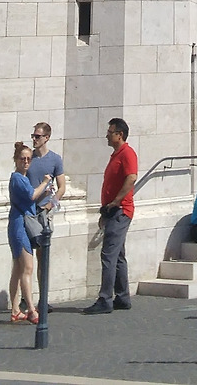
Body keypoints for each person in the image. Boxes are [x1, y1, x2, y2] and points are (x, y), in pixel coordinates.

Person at [85, 116, 138, 314]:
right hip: (113, 211)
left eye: (110, 132)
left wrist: (116, 201)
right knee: (118, 255)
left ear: (120, 134)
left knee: (108, 255)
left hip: (121, 210)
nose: (107, 136)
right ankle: (122, 297)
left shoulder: (127, 153)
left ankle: (105, 299)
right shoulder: (116, 154)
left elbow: (131, 177)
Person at [8, 141, 50, 323]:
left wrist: (44, 192)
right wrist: (45, 182)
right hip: (19, 225)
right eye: (22, 159)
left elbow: (30, 197)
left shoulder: (23, 178)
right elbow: (31, 195)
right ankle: (32, 310)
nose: (25, 162)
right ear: (16, 160)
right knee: (27, 267)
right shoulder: (18, 178)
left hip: (20, 224)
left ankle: (15, 309)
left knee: (18, 269)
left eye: (28, 159)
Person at [28, 122, 65, 215]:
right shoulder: (27, 159)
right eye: (33, 136)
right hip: (28, 209)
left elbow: (62, 188)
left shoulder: (55, 159)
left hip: (45, 210)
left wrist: (50, 205)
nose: (34, 139)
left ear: (46, 138)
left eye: (37, 136)